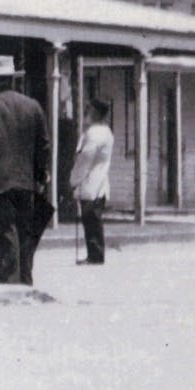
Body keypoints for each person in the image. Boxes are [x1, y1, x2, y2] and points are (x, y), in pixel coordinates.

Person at [0, 55, 51, 286]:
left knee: (6, 231)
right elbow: (44, 145)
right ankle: (25, 279)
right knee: (25, 232)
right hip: (27, 181)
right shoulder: (32, 106)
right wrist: (41, 175)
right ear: (12, 79)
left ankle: (10, 280)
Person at [70, 97, 114, 266]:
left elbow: (84, 160)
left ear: (95, 113)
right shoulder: (105, 131)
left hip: (91, 183)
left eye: (89, 110)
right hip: (98, 181)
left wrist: (74, 179)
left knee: (92, 218)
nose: (86, 113)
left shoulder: (95, 133)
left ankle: (95, 255)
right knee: (91, 218)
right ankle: (94, 253)